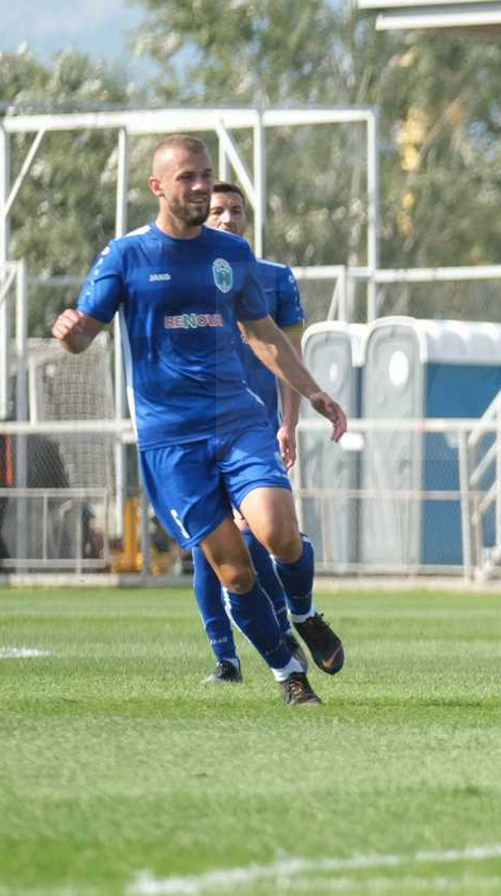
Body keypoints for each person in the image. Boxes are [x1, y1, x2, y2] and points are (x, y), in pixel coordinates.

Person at [53, 134, 349, 707]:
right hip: (169, 440)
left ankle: (306, 614)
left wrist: (314, 393)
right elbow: (87, 330)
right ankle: (287, 671)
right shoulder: (126, 255)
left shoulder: (230, 255)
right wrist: (71, 334)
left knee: (280, 535)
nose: (199, 187)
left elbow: (264, 338)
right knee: (235, 574)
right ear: (157, 187)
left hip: (236, 421)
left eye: (205, 175)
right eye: (187, 177)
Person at [190, 182, 311, 684]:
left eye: (235, 210)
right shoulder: (185, 277)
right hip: (197, 428)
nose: (226, 217)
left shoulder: (274, 279)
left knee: (263, 533)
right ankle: (226, 658)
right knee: (208, 543)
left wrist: (290, 422)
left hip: (254, 429)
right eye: (217, 209)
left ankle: (286, 626)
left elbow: (291, 360)